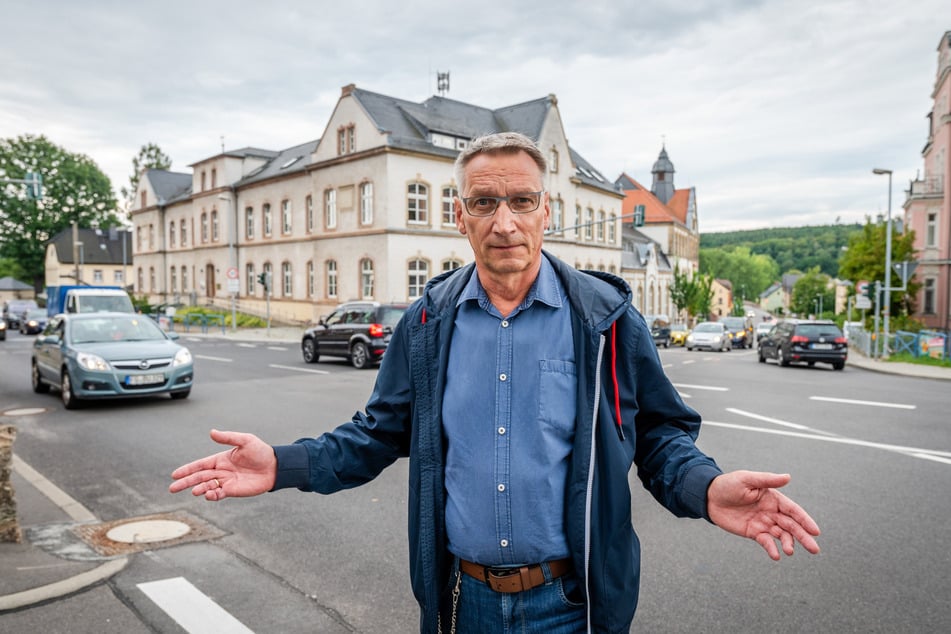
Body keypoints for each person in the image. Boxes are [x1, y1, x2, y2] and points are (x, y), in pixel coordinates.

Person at [170, 132, 820, 633]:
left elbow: (656, 434)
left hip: (573, 602)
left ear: (545, 211)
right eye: (485, 202)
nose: (503, 221)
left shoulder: (606, 319)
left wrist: (704, 487)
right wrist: (281, 464)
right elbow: (377, 434)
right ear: (461, 215)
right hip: (464, 601)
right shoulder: (426, 323)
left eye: (520, 201)